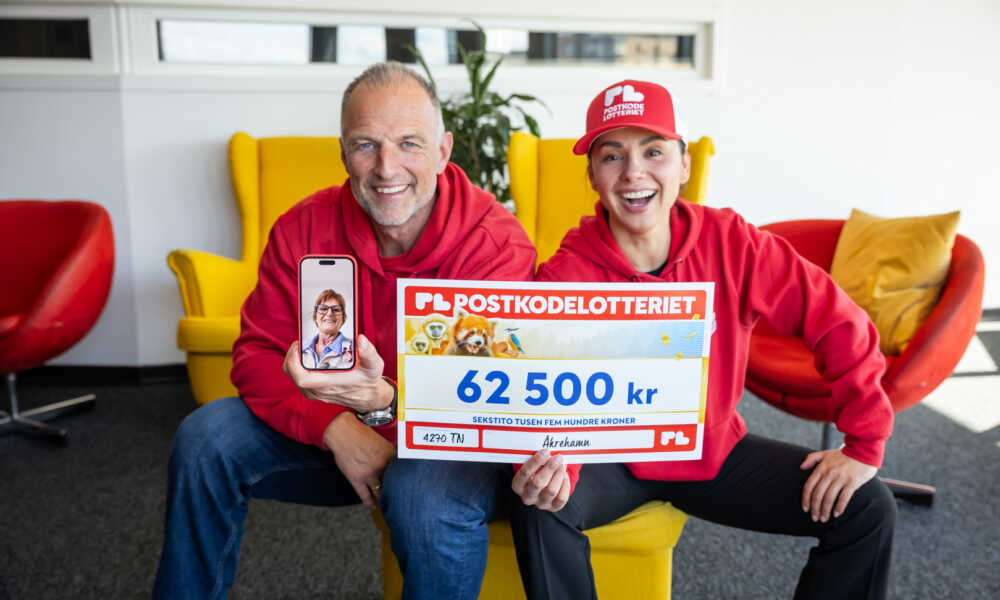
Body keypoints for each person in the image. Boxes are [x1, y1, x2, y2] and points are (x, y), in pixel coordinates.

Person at [152, 62, 543, 599]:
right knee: (206, 440)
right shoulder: (303, 228)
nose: (386, 167)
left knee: (423, 493)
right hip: (335, 435)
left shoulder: (494, 244)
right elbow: (256, 354)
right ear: (342, 153)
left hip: (446, 450)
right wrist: (337, 429)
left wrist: (383, 413)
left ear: (443, 151)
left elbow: (484, 401)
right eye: (365, 145)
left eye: (409, 143)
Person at [508, 80, 897, 599]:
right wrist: (557, 467)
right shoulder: (565, 274)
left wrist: (864, 445)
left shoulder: (734, 243)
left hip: (710, 453)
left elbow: (838, 322)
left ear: (684, 165)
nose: (633, 172)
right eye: (612, 156)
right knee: (539, 503)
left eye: (654, 152)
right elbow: (544, 391)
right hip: (609, 461)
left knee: (868, 506)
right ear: (593, 176)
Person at [301, 289, 354, 370]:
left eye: (336, 309)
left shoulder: (355, 349)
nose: (329, 313)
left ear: (343, 319)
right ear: (315, 316)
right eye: (323, 308)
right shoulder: (301, 348)